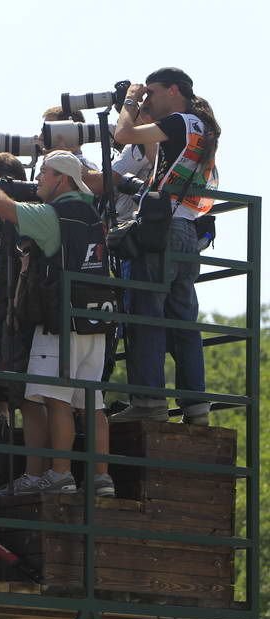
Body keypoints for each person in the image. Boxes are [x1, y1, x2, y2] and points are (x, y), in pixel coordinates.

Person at [0, 151, 116, 497]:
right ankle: (102, 478)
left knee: (56, 399)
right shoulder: (90, 213)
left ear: (61, 178)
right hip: (95, 319)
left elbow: (6, 210)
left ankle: (59, 474)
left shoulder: (55, 214)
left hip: (60, 321)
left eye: (44, 172)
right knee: (93, 403)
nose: (38, 178)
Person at [111, 67, 220, 426]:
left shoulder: (178, 121)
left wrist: (129, 101)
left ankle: (149, 402)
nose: (148, 99)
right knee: (184, 321)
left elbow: (122, 135)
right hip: (188, 230)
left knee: (147, 315)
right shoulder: (199, 126)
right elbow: (149, 143)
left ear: (174, 90)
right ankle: (196, 407)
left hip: (162, 229)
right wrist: (139, 107)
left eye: (152, 92)